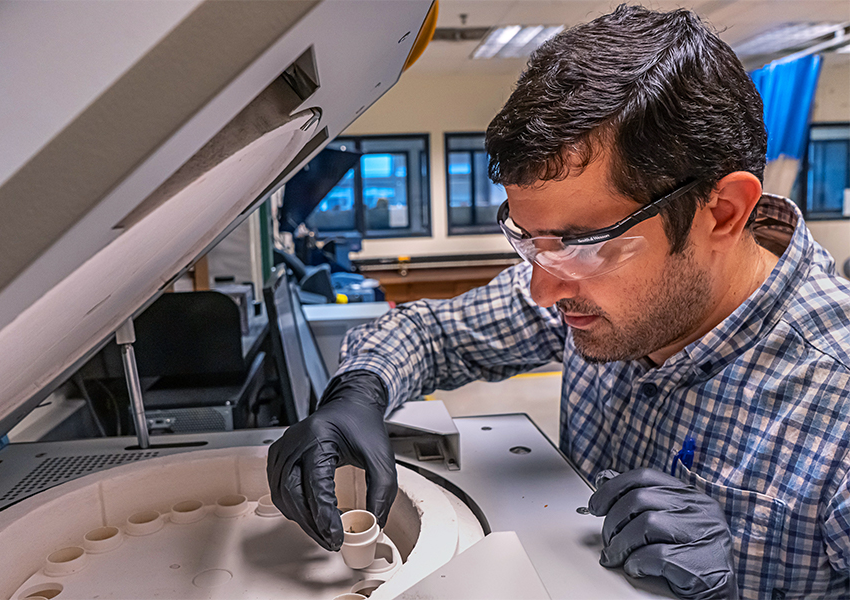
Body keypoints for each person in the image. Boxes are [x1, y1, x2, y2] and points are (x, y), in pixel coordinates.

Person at [267, 5, 850, 599]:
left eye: (583, 245)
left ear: (722, 212)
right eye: (531, 242)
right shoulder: (592, 297)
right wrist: (357, 393)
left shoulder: (836, 402)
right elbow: (429, 333)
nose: (545, 291)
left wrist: (732, 594)